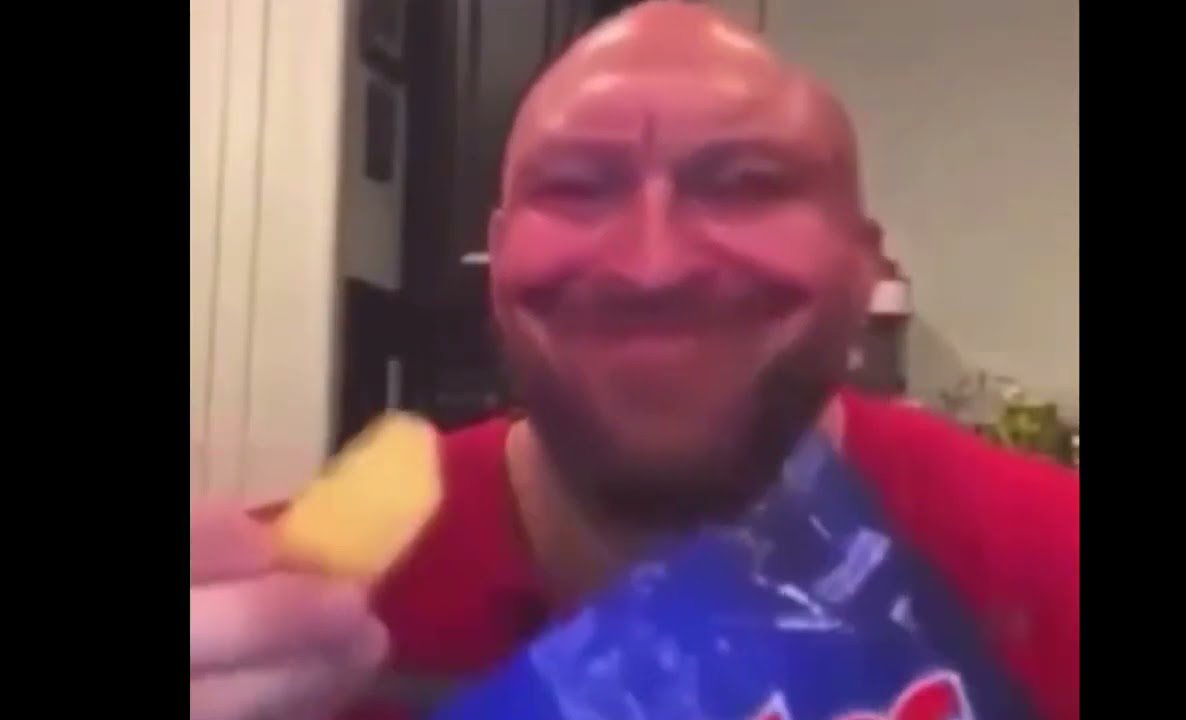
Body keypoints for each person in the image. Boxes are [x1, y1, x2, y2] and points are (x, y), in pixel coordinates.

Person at [189, 3, 1080, 720]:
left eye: (747, 185)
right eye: (575, 188)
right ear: (496, 259)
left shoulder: (1055, 563)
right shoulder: (263, 624)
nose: (653, 267)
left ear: (865, 263)